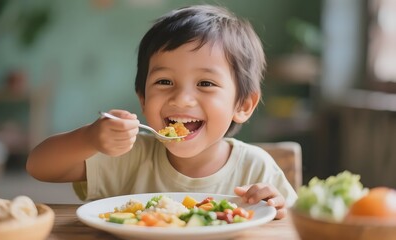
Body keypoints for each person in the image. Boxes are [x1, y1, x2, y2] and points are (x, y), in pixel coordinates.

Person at [26, 5, 297, 220]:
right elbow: (38, 166)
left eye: (205, 83)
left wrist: (277, 208)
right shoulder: (127, 156)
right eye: (164, 82)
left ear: (243, 105)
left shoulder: (256, 168)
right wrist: (89, 139)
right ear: (143, 99)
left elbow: (297, 223)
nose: (181, 98)